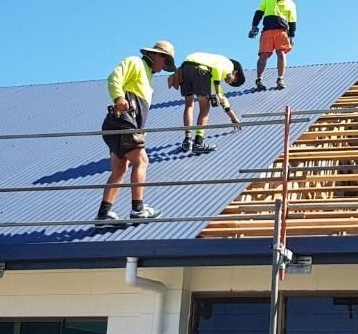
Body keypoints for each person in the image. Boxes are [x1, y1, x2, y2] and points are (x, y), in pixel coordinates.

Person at [94, 40, 176, 224]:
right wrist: (119, 97)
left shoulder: (148, 78)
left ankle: (103, 214)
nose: (164, 67)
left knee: (120, 167)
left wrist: (139, 130)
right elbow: (114, 78)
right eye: (165, 62)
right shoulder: (135, 62)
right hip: (121, 121)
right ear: (156, 55)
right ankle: (138, 209)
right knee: (142, 160)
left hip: (123, 124)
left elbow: (139, 109)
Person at [170, 52, 245, 154]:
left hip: (185, 68)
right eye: (233, 81)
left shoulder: (212, 66)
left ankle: (187, 140)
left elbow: (222, 98)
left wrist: (233, 117)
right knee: (205, 108)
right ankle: (198, 142)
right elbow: (217, 71)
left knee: (189, 104)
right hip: (200, 71)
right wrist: (217, 91)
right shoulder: (229, 64)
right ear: (235, 72)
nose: (229, 82)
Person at [249, 0, 297, 90]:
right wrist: (254, 27)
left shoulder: (290, 3)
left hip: (282, 31)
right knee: (263, 55)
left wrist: (291, 36)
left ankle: (280, 78)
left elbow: (292, 21)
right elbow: (259, 13)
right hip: (267, 30)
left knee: (281, 53)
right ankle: (259, 79)